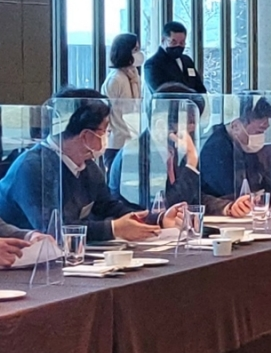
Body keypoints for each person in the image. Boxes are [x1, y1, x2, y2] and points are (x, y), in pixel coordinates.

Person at [0, 89, 185, 242]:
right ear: (86, 136)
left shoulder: (87, 165)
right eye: (105, 131)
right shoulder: (32, 168)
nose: (107, 137)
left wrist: (157, 219)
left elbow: (108, 206)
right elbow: (54, 228)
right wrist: (113, 229)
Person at [108, 83, 251, 218]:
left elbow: (193, 197)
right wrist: (191, 163)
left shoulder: (172, 150)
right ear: (161, 123)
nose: (193, 129)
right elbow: (164, 208)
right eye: (188, 122)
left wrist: (227, 207)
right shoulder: (135, 155)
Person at [101, 32, 143, 169]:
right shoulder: (116, 79)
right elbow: (105, 110)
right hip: (116, 142)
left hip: (132, 138)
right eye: (135, 49)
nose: (139, 53)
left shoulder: (133, 76)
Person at [143, 21, 207, 94]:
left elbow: (200, 88)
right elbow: (161, 92)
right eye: (173, 42)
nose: (178, 45)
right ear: (163, 40)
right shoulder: (152, 64)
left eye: (182, 43)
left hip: (192, 101)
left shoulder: (187, 61)